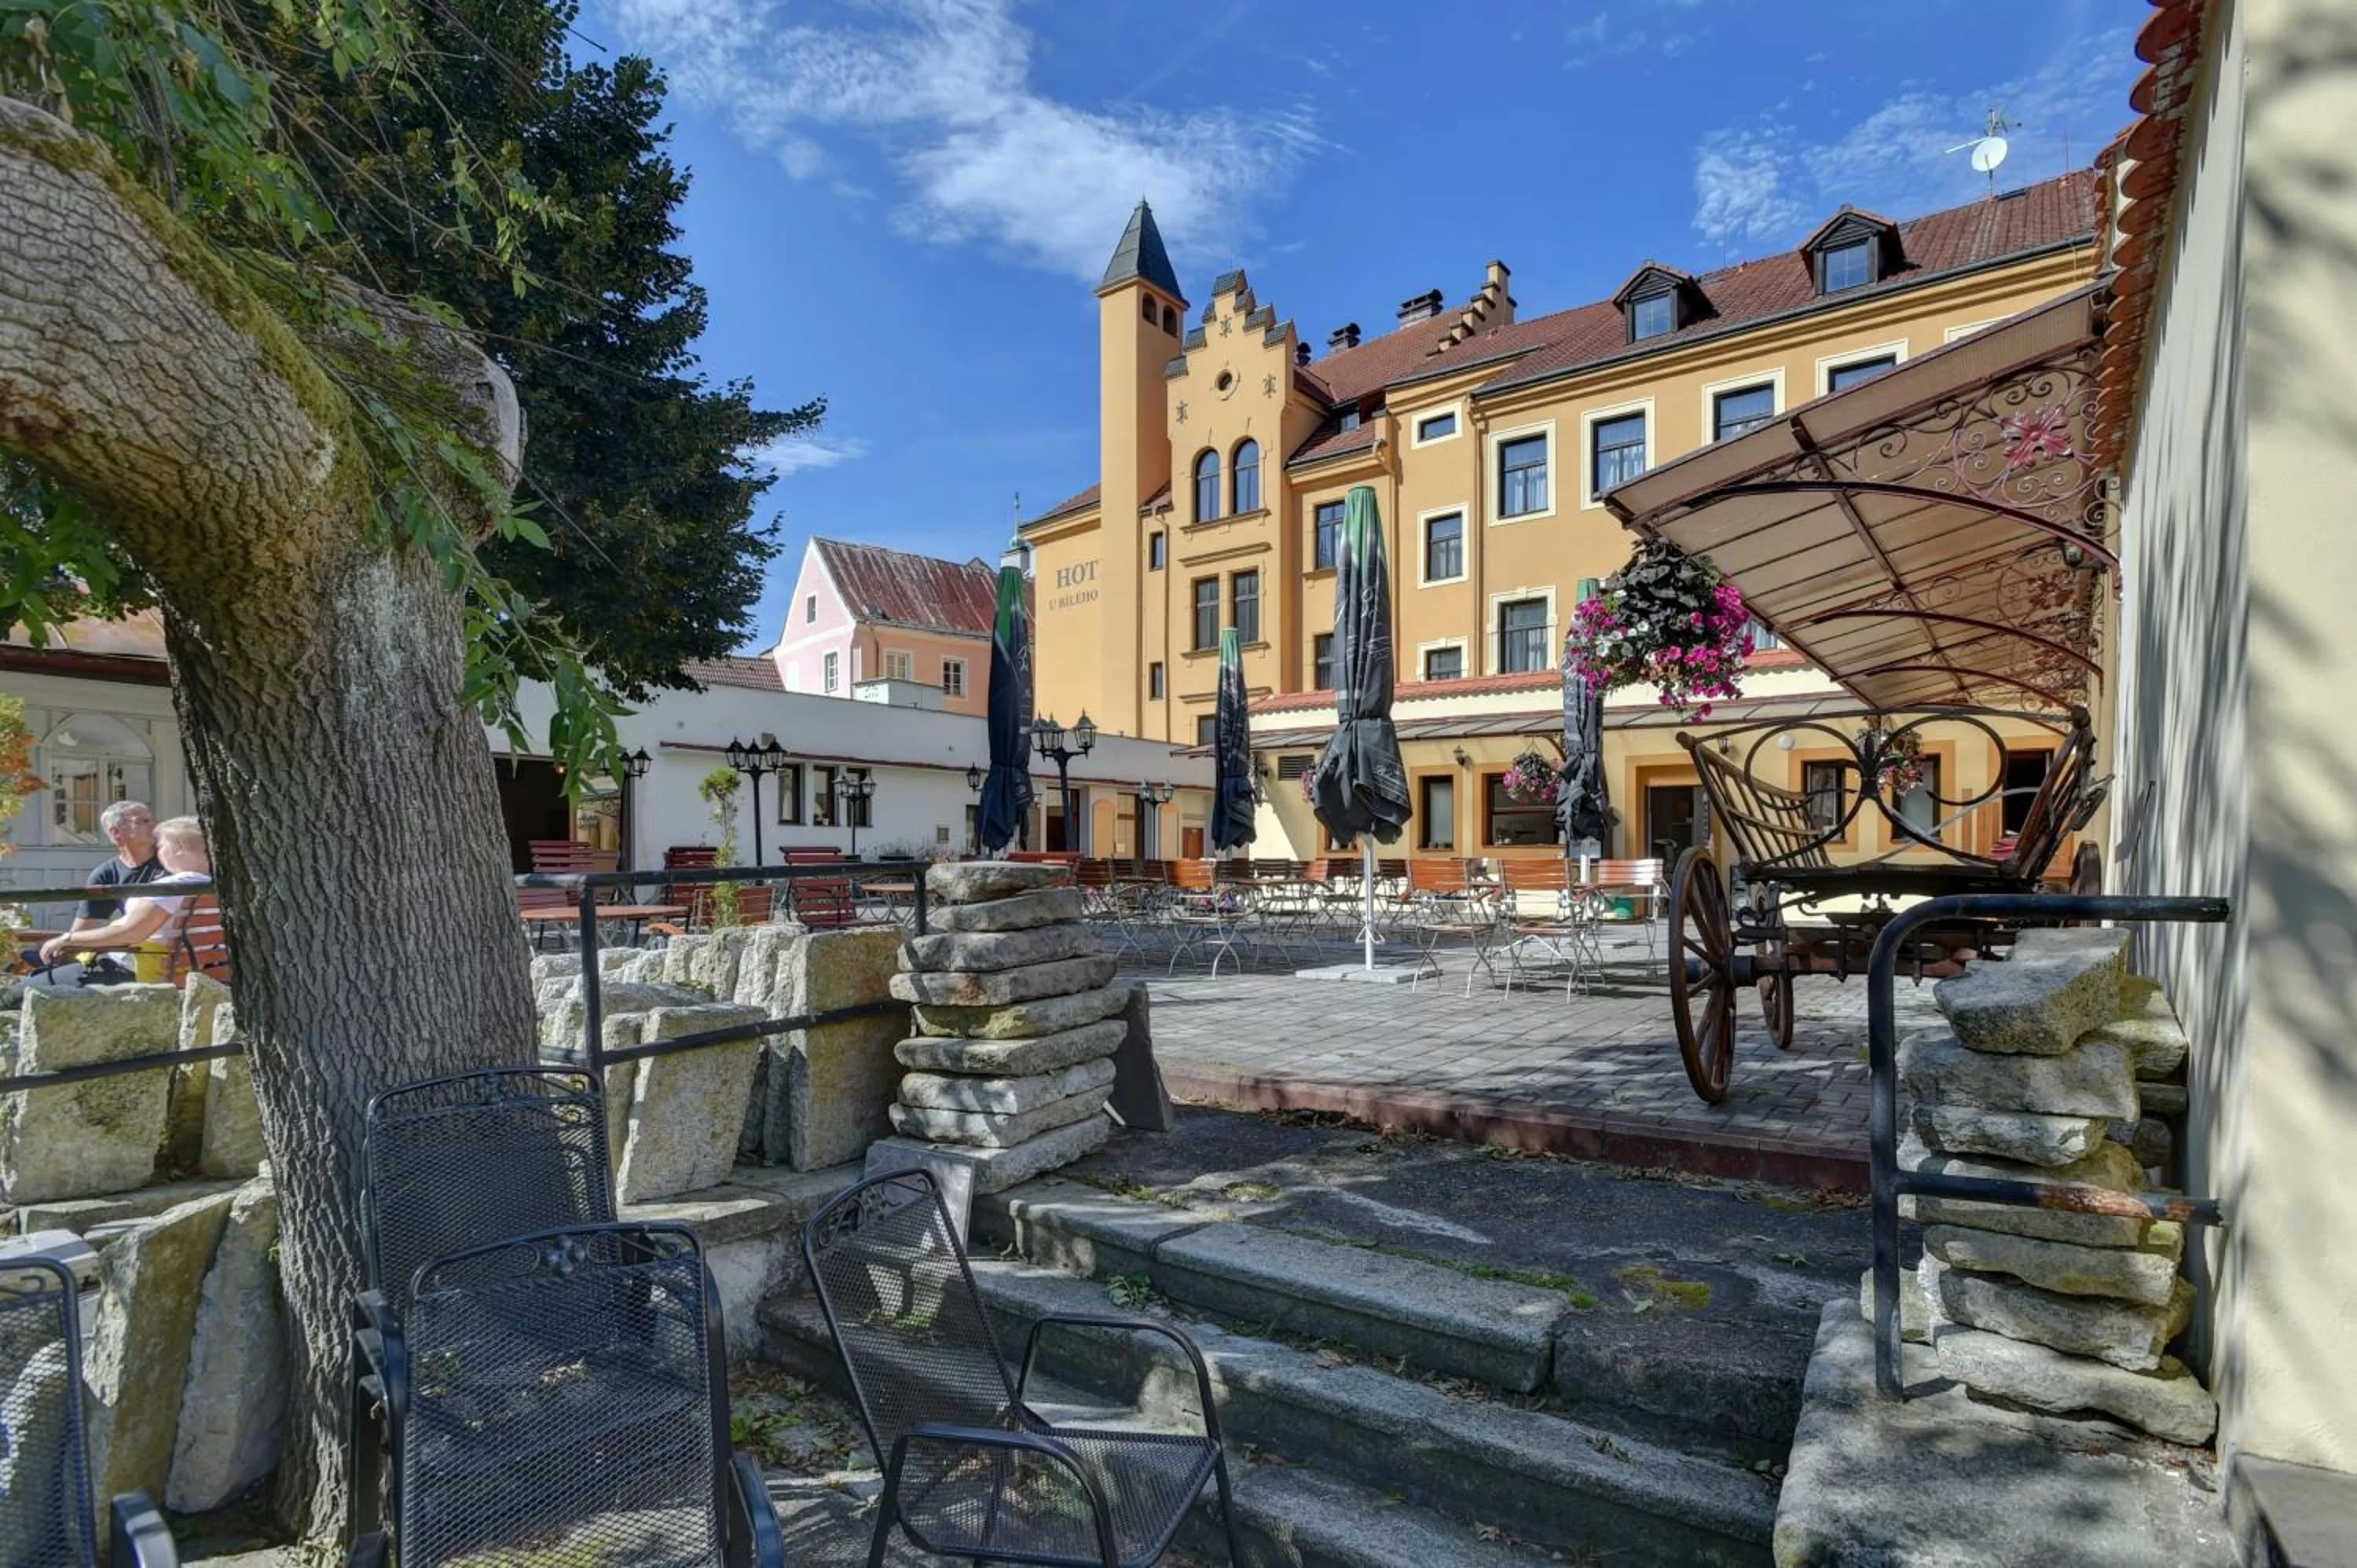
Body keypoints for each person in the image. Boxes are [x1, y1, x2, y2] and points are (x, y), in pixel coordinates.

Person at [34, 816, 211, 985]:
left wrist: (67, 939)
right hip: (187, 971)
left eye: (161, 846)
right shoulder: (213, 885)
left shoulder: (171, 888)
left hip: (127, 971)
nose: (158, 852)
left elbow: (131, 933)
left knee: (25, 991)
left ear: (178, 848)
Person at [17, 800, 163, 978]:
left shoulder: (170, 866)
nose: (154, 825)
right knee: (44, 978)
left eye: (152, 820)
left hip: (150, 959)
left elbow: (132, 932)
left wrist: (66, 940)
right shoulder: (106, 873)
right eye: (143, 821)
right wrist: (64, 947)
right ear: (116, 832)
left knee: (28, 988)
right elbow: (82, 930)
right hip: (128, 958)